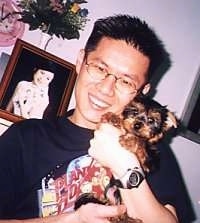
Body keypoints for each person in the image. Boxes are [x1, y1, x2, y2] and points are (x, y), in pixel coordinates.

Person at [0, 15, 195, 223]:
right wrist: (69, 220)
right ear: (80, 61)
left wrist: (124, 164)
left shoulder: (152, 148)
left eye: (126, 82)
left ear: (142, 92)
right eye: (100, 69)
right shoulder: (25, 136)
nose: (105, 89)